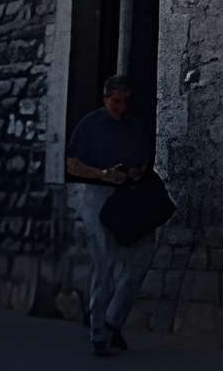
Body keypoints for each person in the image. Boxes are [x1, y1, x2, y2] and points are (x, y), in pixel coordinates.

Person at [64, 73, 159, 355]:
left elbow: (142, 161)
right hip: (97, 194)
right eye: (116, 102)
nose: (121, 108)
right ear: (106, 99)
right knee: (105, 263)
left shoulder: (135, 127)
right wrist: (102, 174)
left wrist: (133, 172)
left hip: (129, 194)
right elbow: (72, 164)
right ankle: (97, 333)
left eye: (125, 102)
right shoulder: (90, 125)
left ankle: (112, 320)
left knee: (141, 258)